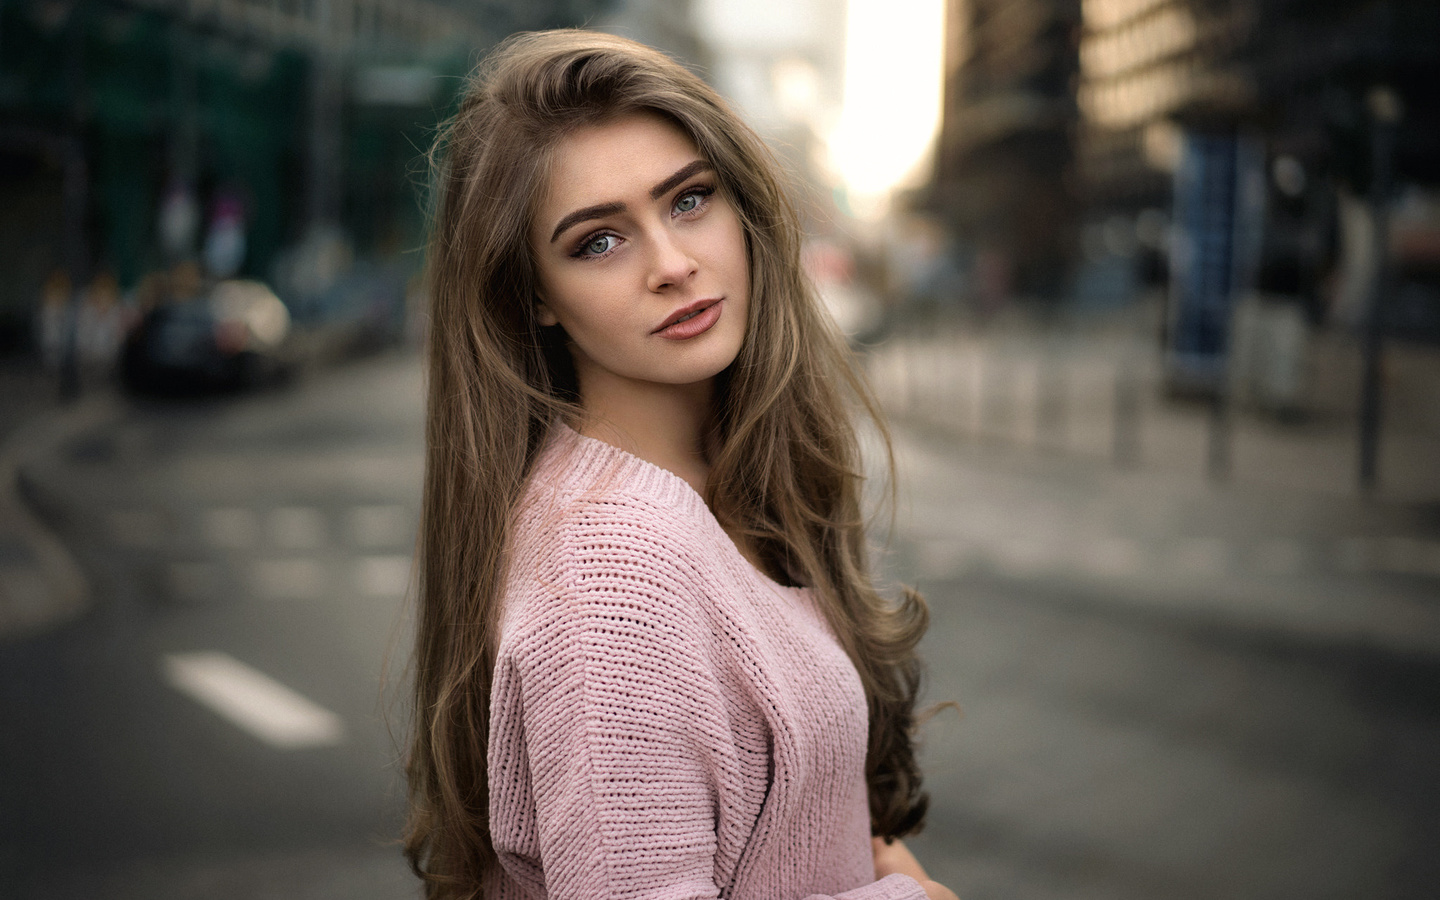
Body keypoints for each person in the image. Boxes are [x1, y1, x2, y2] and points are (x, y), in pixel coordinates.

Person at [405, 29, 957, 900]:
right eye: (598, 242)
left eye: (690, 199)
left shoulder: (720, 483)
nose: (673, 265)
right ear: (535, 297)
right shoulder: (610, 574)